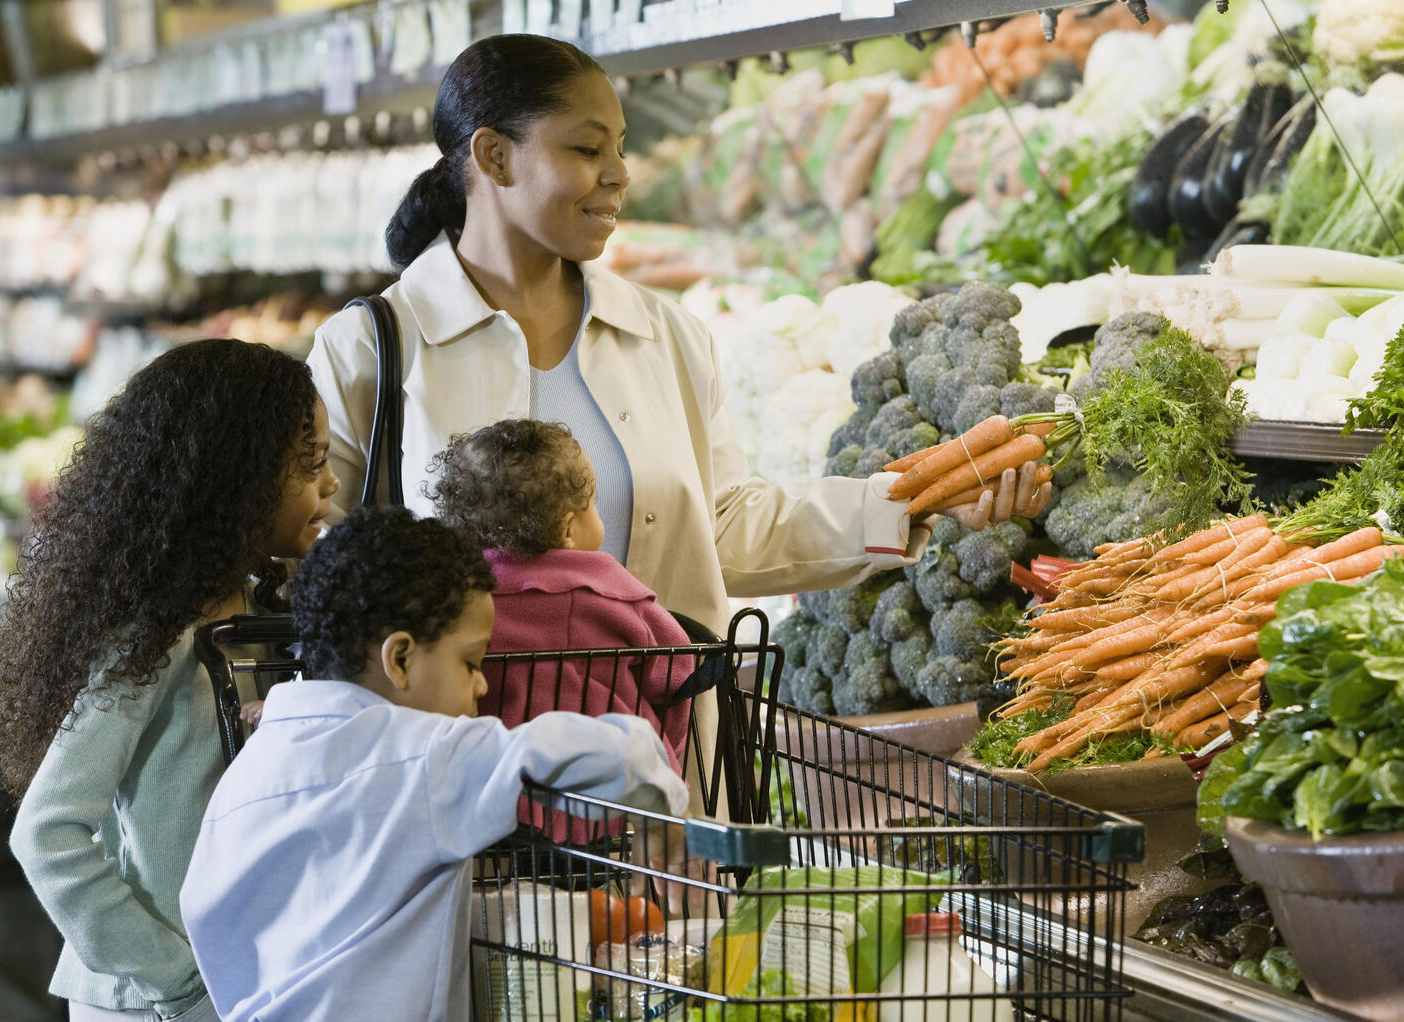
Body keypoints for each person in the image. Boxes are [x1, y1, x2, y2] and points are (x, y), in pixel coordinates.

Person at [306, 33, 1049, 643]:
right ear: (496, 157)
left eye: (620, 149)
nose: (619, 175)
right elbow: (317, 571)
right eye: (587, 150)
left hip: (656, 767)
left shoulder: (662, 335)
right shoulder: (370, 349)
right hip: (461, 781)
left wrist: (915, 502)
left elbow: (723, 529)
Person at [178, 505, 688, 1022]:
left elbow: (206, 913)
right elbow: (618, 752)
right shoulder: (426, 754)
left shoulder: (250, 768)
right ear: (399, 659)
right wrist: (657, 805)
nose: (483, 684)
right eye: (470, 662)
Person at [0, 339, 341, 1022]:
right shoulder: (156, 635)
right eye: (311, 463)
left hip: (236, 986)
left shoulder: (259, 607)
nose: (328, 485)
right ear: (237, 478)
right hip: (152, 1003)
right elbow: (49, 832)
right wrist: (175, 978)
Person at [431, 418, 694, 766]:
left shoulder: (457, 598)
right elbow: (677, 669)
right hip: (616, 783)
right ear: (568, 529)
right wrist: (668, 749)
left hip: (499, 777)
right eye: (593, 503)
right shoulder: (612, 591)